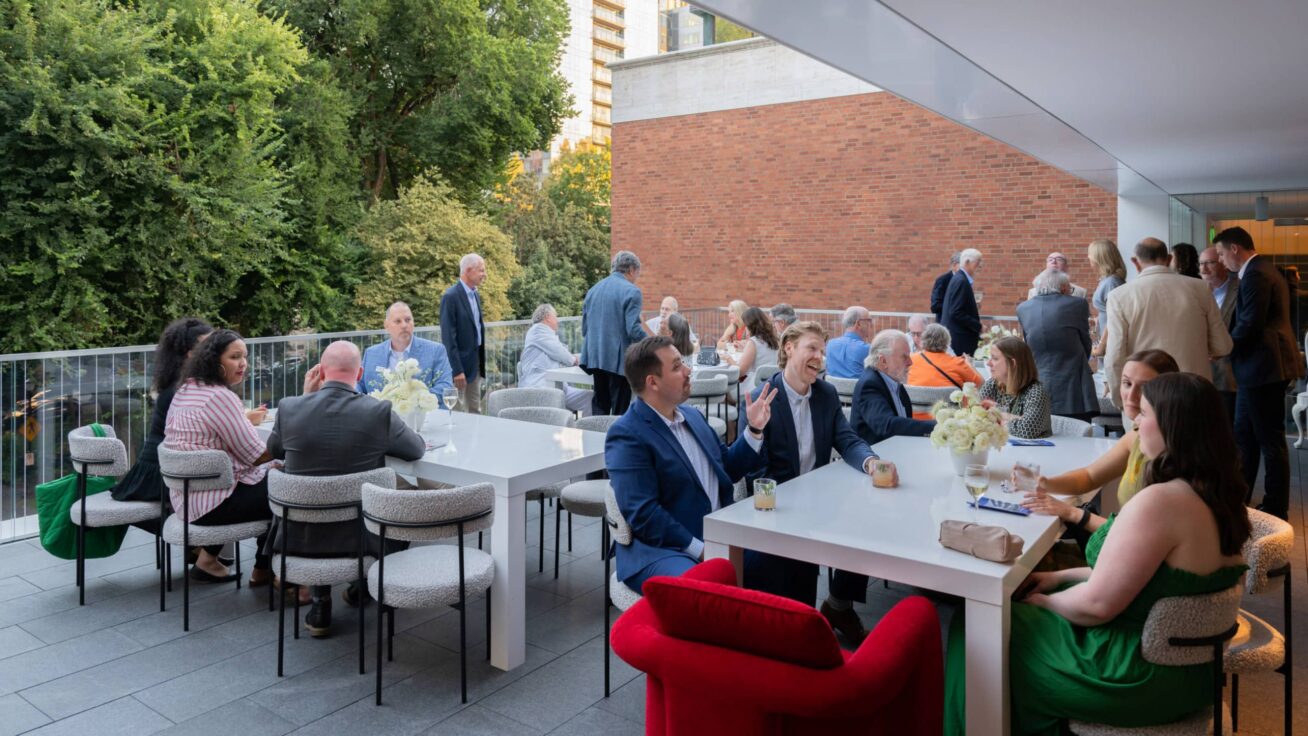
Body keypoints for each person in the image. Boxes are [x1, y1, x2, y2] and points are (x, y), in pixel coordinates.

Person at [947, 373, 1251, 736]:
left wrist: (1043, 602)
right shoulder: (1217, 497)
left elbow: (1096, 606)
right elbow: (1142, 577)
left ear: (1174, 428)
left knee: (979, 625)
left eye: (1145, 414)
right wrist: (1057, 578)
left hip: (1136, 674)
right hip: (1193, 671)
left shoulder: (1162, 502)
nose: (1135, 422)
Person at [744, 321, 899, 642]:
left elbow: (847, 439)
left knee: (870, 522)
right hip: (777, 509)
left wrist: (871, 462)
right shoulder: (764, 397)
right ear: (789, 348)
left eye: (822, 351)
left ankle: (838, 603)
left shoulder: (825, 394)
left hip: (818, 502)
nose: (819, 357)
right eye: (812, 348)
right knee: (786, 612)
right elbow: (755, 470)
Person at [265, 341, 426, 637]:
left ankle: (320, 604)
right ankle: (360, 585)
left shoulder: (289, 408)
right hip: (363, 540)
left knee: (320, 510)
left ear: (321, 372)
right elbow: (415, 449)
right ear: (360, 373)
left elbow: (275, 449)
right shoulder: (377, 412)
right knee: (402, 510)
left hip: (298, 539)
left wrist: (306, 397)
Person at [607, 337, 776, 593]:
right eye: (677, 366)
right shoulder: (627, 433)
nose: (688, 370)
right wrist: (701, 549)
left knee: (780, 557)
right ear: (653, 382)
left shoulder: (693, 416)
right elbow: (644, 514)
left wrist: (754, 430)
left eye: (684, 363)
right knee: (707, 583)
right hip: (663, 549)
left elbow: (727, 468)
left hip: (717, 533)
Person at [164, 329, 274, 584]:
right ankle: (264, 569)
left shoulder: (186, 389)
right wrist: (292, 447)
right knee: (288, 489)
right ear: (214, 361)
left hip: (186, 497)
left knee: (270, 476)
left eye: (245, 356)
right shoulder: (220, 396)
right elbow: (256, 456)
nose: (243, 363)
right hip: (213, 504)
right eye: (235, 357)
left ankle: (207, 561)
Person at [1022, 349, 1179, 524]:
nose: (1131, 395)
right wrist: (1044, 483)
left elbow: (1141, 535)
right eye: (1127, 383)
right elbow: (1089, 476)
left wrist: (1072, 513)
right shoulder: (1135, 436)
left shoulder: (1175, 455)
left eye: (1144, 388)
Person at [1214, 226, 1304, 520]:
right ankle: (1240, 500)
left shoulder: (1256, 274)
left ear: (1235, 249)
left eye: (1221, 254)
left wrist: (1221, 348)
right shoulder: (1263, 269)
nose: (1220, 260)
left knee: (1269, 440)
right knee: (1245, 435)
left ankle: (1276, 507)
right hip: (1259, 369)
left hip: (1264, 368)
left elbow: (1250, 323)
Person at [1104, 237, 1231, 409]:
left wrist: (1119, 398)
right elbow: (1223, 346)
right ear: (1169, 259)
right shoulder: (1200, 288)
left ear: (1135, 262)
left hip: (1144, 396)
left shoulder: (1119, 296)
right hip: (1193, 392)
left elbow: (1114, 356)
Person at [112, 318, 214, 505]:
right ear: (189, 354)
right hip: (163, 478)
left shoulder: (177, 385)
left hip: (164, 471)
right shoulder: (182, 391)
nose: (214, 351)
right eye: (207, 346)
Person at [1017, 269, 1098, 420]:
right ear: (1063, 288)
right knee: (1078, 430)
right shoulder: (1078, 304)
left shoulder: (1023, 309)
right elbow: (1085, 342)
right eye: (1070, 289)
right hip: (1074, 384)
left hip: (1038, 382)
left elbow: (1028, 343)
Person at [580, 250, 646, 416]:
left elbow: (585, 329)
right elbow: (633, 329)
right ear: (631, 269)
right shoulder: (632, 291)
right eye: (637, 274)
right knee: (620, 414)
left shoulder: (593, 290)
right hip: (618, 361)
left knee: (599, 408)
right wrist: (655, 343)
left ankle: (597, 433)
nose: (636, 278)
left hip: (595, 357)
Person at [850, 330, 936, 446]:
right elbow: (887, 425)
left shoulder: (893, 380)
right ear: (883, 361)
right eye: (904, 357)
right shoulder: (869, 385)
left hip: (897, 449)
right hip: (875, 454)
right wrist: (935, 427)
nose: (910, 362)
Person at [359, 302, 454, 397]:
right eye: (398, 321)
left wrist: (411, 400)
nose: (404, 325)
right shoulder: (371, 354)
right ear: (386, 326)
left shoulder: (435, 351)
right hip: (378, 407)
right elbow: (358, 385)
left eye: (408, 320)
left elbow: (445, 386)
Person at [518, 303, 593, 414]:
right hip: (540, 388)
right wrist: (574, 360)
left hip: (557, 387)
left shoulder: (545, 334)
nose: (557, 320)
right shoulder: (538, 331)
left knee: (590, 398)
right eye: (555, 316)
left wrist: (577, 358)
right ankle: (564, 423)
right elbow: (561, 353)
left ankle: (586, 425)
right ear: (548, 317)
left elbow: (562, 352)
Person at [440, 253, 488, 413]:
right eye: (481, 270)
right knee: (458, 411)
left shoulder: (475, 295)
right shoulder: (451, 297)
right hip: (460, 367)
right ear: (468, 270)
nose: (484, 275)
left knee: (475, 409)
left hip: (475, 364)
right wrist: (457, 370)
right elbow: (448, 338)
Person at [979, 336, 1051, 439]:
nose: (988, 363)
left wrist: (997, 417)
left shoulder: (1036, 392)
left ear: (1012, 363)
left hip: (1034, 449)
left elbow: (1027, 430)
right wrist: (1012, 417)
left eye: (995, 358)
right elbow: (976, 417)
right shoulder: (992, 385)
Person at [1199, 246, 1240, 420]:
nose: (1203, 269)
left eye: (1210, 263)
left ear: (1223, 263)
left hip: (1228, 376)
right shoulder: (1195, 292)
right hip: (1199, 374)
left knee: (1226, 424)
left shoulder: (1240, 289)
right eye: (1201, 263)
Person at [907, 324, 984, 390]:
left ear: (923, 340)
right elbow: (981, 384)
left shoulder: (911, 360)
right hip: (950, 403)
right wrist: (969, 364)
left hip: (915, 403)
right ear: (947, 341)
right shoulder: (958, 363)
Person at [723, 306, 780, 394]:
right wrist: (745, 349)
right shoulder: (776, 339)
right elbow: (763, 354)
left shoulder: (754, 341)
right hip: (774, 385)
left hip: (756, 388)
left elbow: (740, 372)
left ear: (750, 326)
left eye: (745, 326)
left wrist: (728, 358)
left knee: (723, 390)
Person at [1087, 238, 1127, 358]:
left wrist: (1101, 347)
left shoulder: (1112, 282)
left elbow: (1115, 317)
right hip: (1106, 343)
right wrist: (1098, 319)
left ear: (1100, 258)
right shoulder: (1106, 280)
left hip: (1110, 346)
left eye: (1091, 254)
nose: (1088, 257)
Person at [941, 248, 983, 356]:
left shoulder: (959, 279)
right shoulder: (961, 281)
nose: (979, 266)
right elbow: (956, 312)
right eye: (977, 262)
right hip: (960, 340)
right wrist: (978, 326)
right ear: (967, 262)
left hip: (958, 337)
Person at [824, 305, 873, 378]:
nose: (871, 324)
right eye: (869, 320)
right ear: (858, 324)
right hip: (858, 385)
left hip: (832, 385)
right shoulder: (867, 349)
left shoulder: (830, 345)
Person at [930, 252, 961, 322]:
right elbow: (935, 306)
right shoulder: (943, 280)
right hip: (945, 324)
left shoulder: (966, 280)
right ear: (954, 265)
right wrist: (956, 306)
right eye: (963, 265)